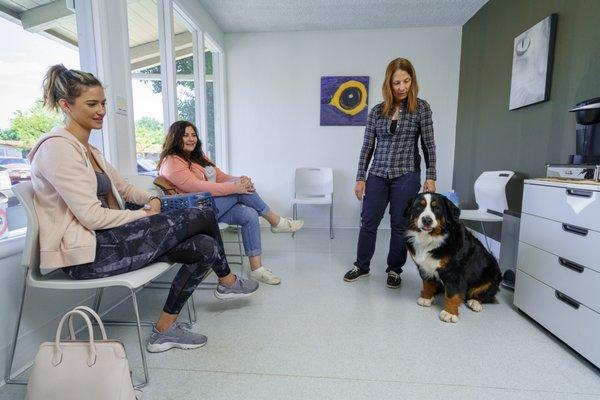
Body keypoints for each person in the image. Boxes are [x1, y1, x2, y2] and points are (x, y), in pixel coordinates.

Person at [30, 64, 258, 353]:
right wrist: (143, 213)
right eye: (92, 104)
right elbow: (90, 215)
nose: (101, 110)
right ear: (66, 105)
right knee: (202, 211)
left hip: (112, 241)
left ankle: (165, 329)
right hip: (88, 256)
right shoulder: (57, 148)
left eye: (103, 103)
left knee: (204, 247)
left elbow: (124, 188)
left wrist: (150, 200)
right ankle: (226, 280)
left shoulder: (89, 149)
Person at [158, 121, 304, 285]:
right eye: (185, 135)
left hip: (212, 206)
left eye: (193, 135)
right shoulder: (172, 162)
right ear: (175, 137)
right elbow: (197, 187)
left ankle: (257, 270)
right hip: (195, 212)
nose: (191, 139)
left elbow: (221, 177)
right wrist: (236, 188)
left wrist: (241, 180)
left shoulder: (198, 157)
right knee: (239, 193)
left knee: (249, 214)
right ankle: (276, 221)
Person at [343, 58, 437, 288]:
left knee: (400, 224)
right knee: (368, 221)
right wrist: (360, 177)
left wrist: (431, 175)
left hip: (406, 174)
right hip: (377, 174)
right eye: (397, 82)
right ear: (389, 84)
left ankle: (395, 270)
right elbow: (367, 147)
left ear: (412, 81)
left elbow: (428, 144)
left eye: (406, 81)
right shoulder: (377, 111)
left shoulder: (421, 108)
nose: (402, 87)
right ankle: (361, 266)